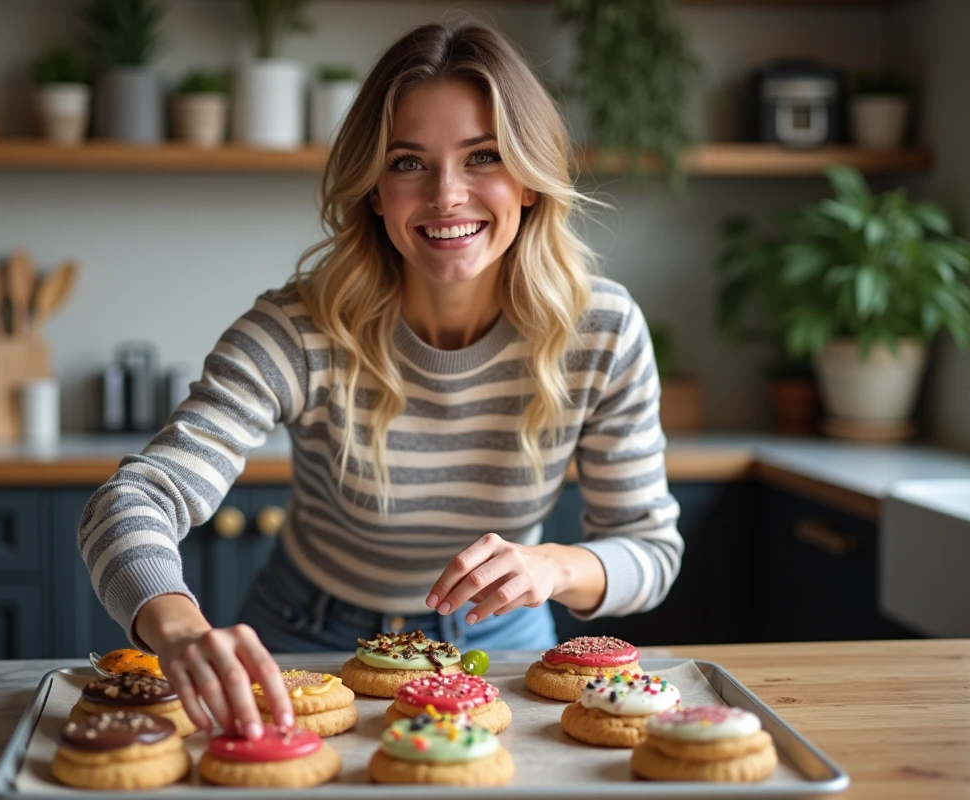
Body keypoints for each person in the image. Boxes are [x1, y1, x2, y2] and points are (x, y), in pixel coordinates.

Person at [77, 20, 683, 743]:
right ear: (372, 190)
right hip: (307, 636)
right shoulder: (296, 331)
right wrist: (174, 627)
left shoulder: (603, 330)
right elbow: (133, 498)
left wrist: (551, 565)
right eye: (407, 163)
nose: (447, 195)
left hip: (507, 639)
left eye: (482, 156)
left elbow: (649, 548)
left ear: (527, 180)